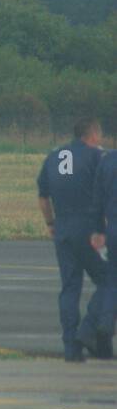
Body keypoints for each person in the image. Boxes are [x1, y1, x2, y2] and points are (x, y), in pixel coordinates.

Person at [37, 118, 108, 361]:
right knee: (110, 282)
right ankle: (88, 330)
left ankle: (71, 349)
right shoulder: (97, 156)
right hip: (89, 229)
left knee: (69, 288)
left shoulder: (54, 156)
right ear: (93, 135)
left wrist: (50, 223)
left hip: (63, 229)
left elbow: (43, 197)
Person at [89, 141, 117, 358]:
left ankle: (105, 326)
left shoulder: (107, 161)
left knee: (111, 282)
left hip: (113, 230)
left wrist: (98, 230)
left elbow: (96, 202)